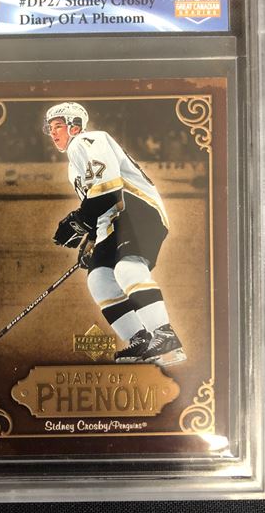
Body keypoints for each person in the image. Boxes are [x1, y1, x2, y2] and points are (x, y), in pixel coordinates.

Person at [44, 102, 186, 367]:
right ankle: (140, 339)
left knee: (127, 268)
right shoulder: (73, 166)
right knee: (99, 279)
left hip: (138, 209)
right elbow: (98, 204)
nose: (53, 133)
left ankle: (165, 335)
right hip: (113, 222)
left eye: (58, 126)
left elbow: (109, 192)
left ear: (75, 126)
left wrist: (78, 221)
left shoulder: (88, 140)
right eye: (50, 128)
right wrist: (91, 239)